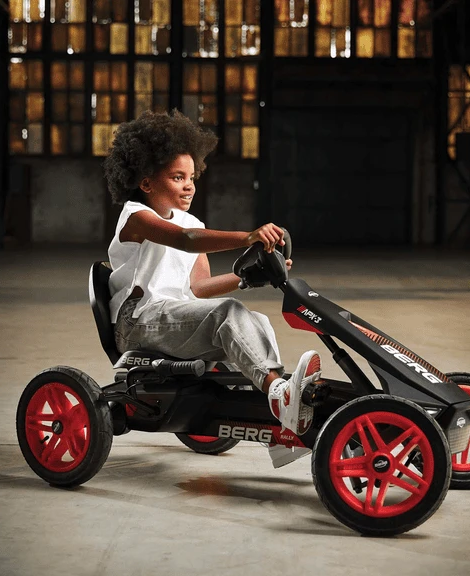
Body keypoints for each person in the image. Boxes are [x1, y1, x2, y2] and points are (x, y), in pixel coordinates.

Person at [103, 109, 321, 460]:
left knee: (255, 322)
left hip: (174, 318)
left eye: (192, 177)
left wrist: (247, 278)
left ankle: (279, 423)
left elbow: (199, 288)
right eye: (177, 177)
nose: (189, 185)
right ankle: (279, 393)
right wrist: (247, 237)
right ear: (146, 183)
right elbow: (187, 240)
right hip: (139, 322)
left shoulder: (192, 221)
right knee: (228, 314)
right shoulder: (137, 216)